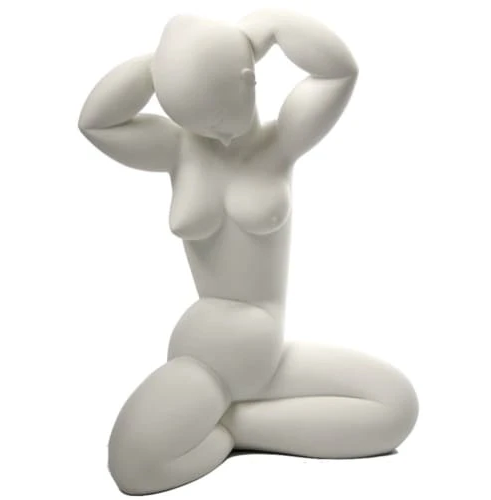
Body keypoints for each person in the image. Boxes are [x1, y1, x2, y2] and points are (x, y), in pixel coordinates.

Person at [79, 10, 418, 495]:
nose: (216, 134)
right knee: (133, 466)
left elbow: (338, 72)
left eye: (218, 115)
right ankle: (224, 420)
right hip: (206, 359)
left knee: (396, 405)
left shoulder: (281, 143)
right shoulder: (180, 149)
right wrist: (164, 65)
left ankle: (237, 426)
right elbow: (96, 123)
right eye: (196, 121)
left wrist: (272, 26)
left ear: (247, 80)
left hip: (266, 356)